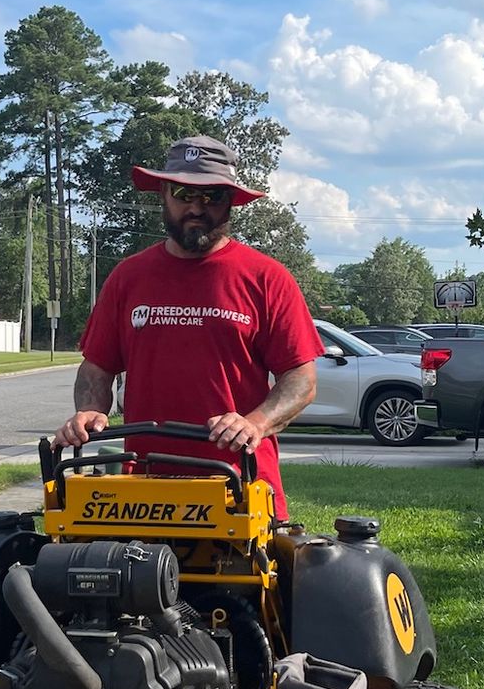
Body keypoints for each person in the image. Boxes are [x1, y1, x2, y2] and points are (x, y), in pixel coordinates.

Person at [57, 135, 322, 518]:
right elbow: (97, 366)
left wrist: (255, 423)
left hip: (240, 490)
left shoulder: (267, 278)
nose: (197, 207)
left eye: (213, 195)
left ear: (230, 201)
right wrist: (90, 409)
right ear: (164, 193)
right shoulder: (127, 278)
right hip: (142, 494)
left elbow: (301, 378)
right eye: (185, 192)